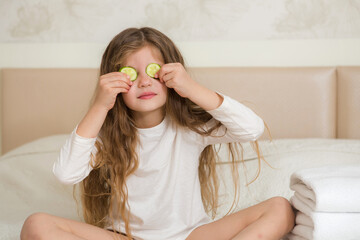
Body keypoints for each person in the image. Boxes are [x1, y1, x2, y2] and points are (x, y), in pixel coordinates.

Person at [20, 27, 295, 240]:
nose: (143, 81)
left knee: (280, 209)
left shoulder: (191, 128)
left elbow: (252, 129)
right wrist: (99, 106)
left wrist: (191, 87)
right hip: (126, 236)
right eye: (130, 74)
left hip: (190, 236)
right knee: (36, 224)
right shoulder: (105, 136)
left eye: (153, 72)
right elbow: (66, 173)